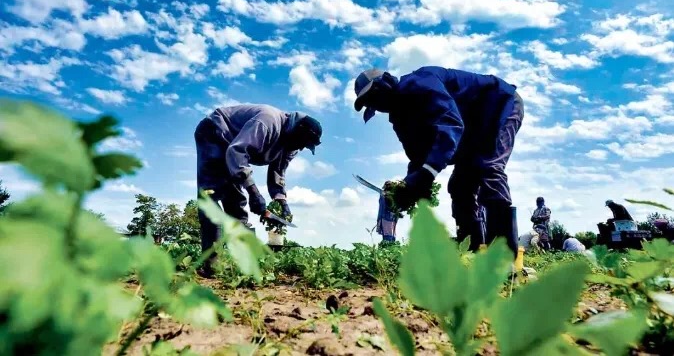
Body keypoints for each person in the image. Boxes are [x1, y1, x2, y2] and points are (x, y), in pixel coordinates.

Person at [353, 66, 524, 256]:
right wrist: (410, 185)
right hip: (471, 130)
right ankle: (471, 249)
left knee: (488, 167)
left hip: (499, 107)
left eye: (374, 97)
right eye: (370, 103)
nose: (376, 105)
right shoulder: (400, 118)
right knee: (459, 186)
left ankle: (504, 258)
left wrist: (426, 174)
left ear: (384, 85)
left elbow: (450, 124)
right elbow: (418, 156)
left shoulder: (420, 83)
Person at [194, 104, 322, 277]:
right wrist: (254, 192)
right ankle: (211, 263)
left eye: (304, 146)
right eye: (300, 143)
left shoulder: (292, 145)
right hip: (215, 132)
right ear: (296, 132)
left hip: (232, 145)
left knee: (236, 202)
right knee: (211, 194)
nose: (299, 148)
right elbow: (237, 152)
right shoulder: (267, 122)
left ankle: (242, 263)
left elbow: (278, 171)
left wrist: (281, 200)